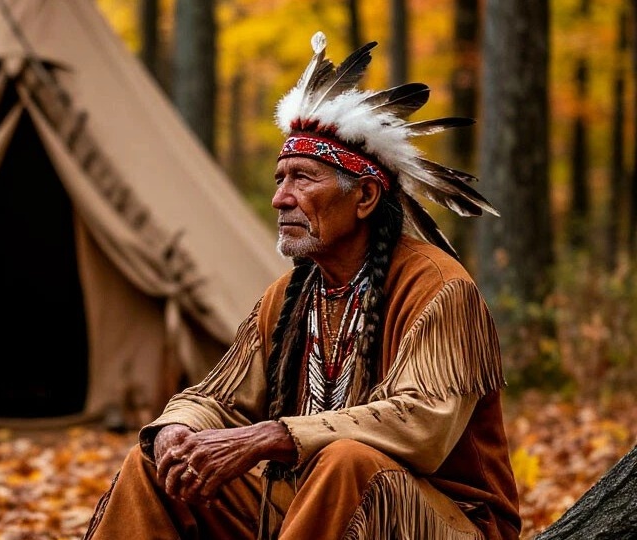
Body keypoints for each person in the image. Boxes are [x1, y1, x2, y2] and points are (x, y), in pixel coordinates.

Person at [83, 31, 521, 540]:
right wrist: (177, 429)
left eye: (303, 179)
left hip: (447, 520)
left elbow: (421, 423)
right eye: (279, 178)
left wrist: (275, 436)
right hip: (310, 506)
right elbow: (220, 398)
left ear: (365, 197)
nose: (280, 199)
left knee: (347, 461)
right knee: (159, 469)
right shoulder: (291, 296)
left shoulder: (439, 288)